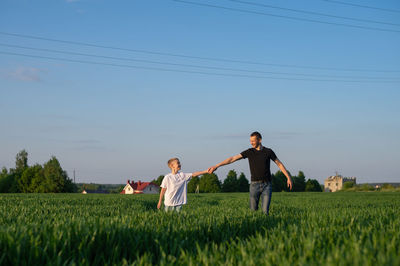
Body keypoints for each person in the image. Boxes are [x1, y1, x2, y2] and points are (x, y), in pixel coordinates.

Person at [208, 131, 293, 215]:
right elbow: (232, 159)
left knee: (265, 212)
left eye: (253, 141)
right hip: (254, 185)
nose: (251, 143)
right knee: (253, 212)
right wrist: (217, 165)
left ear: (259, 140)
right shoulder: (249, 152)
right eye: (250, 141)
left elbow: (279, 164)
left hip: (267, 185)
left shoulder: (268, 151)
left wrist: (288, 177)